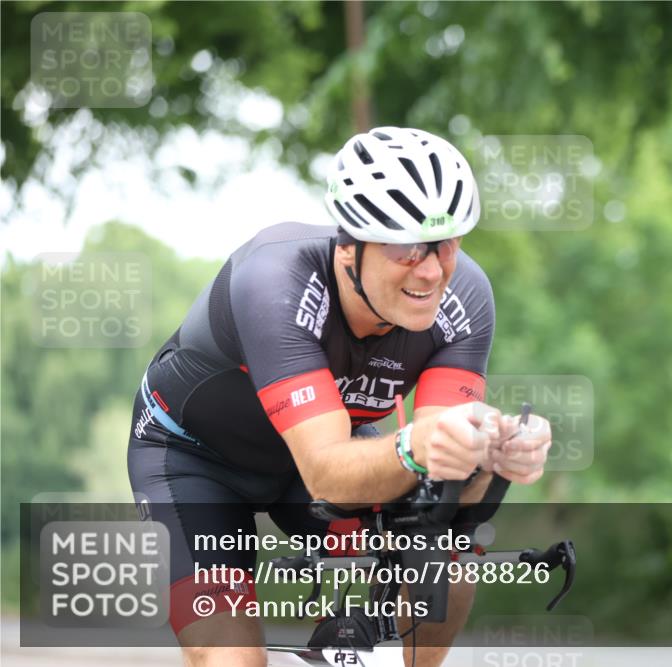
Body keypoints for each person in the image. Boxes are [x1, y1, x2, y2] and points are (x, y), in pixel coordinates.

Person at [126, 127, 552, 667]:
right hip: (193, 460)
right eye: (404, 245)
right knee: (231, 658)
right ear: (348, 244)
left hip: (322, 454)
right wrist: (415, 446)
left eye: (446, 242)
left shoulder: (464, 296)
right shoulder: (275, 279)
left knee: (447, 554)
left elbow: (439, 466)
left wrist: (491, 449)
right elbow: (328, 470)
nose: (430, 268)